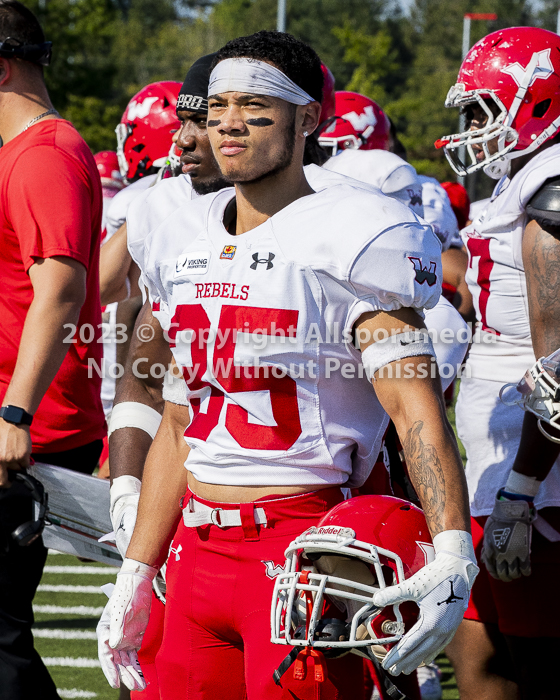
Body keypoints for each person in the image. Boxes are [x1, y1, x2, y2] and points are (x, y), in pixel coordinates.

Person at [100, 30, 476, 700]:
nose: (229, 123)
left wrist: (452, 549)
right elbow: (183, 421)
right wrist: (136, 569)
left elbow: (415, 412)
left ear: (309, 117)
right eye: (218, 106)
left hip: (305, 548)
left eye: (256, 104)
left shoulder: (355, 229)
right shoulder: (179, 228)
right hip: (193, 554)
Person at [437, 26, 560, 700]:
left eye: (485, 110)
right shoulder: (519, 183)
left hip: (539, 487)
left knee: (536, 672)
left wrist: (520, 493)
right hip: (499, 471)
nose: (471, 128)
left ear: (538, 101)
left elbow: (559, 372)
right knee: (477, 658)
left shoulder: (551, 186)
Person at [0, 2, 106, 697]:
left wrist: (14, 414)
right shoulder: (29, 151)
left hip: (28, 424)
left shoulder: (43, 155)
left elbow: (61, 291)